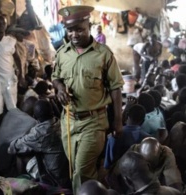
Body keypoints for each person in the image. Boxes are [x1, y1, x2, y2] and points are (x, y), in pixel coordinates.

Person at [52, 5, 124, 194]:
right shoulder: (62, 53)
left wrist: (118, 121)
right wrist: (59, 88)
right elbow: (56, 77)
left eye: (79, 29)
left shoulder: (103, 54)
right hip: (69, 121)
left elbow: (116, 88)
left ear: (89, 26)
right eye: (70, 30)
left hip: (94, 121)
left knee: (81, 171)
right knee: (78, 169)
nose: (74, 34)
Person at [8, 99, 71, 188]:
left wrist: (25, 137)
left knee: (21, 154)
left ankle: (27, 184)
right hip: (67, 173)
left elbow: (13, 147)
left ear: (34, 116)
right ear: (52, 112)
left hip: (55, 178)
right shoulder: (59, 122)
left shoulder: (40, 133)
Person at [0, 15, 25, 126]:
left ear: (6, 25)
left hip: (9, 79)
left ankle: (11, 130)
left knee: (12, 107)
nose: (1, 25)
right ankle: (1, 130)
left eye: (3, 23)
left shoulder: (11, 41)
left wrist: (21, 75)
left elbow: (17, 58)